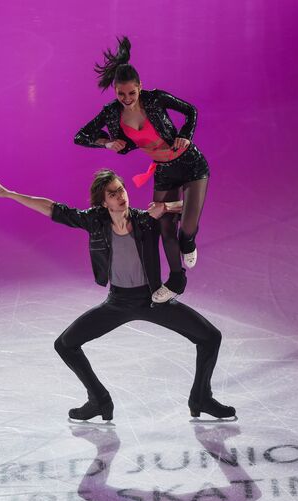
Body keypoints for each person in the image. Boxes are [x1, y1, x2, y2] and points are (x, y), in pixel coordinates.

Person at [0, 170, 235, 421]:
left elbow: (189, 207)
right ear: (104, 202)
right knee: (65, 344)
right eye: (112, 194)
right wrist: (11, 195)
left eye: (121, 190)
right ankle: (99, 400)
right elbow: (53, 209)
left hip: (153, 300)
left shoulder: (145, 219)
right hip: (118, 302)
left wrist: (165, 206)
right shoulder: (95, 221)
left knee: (210, 337)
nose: (120, 196)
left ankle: (201, 397)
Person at [74, 36, 210, 304]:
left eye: (131, 93)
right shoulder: (112, 113)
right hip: (163, 171)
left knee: (186, 230)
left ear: (140, 87)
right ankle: (176, 280)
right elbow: (81, 135)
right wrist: (106, 141)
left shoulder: (156, 99)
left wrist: (185, 134)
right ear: (115, 91)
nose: (126, 98)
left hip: (191, 164)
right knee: (165, 226)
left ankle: (189, 241)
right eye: (121, 93)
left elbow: (190, 111)